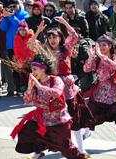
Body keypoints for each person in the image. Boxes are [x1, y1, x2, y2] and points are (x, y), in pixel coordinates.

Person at [28, 17, 95, 157]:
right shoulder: (44, 51)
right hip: (50, 90)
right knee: (46, 123)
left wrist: (65, 23)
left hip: (68, 91)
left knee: (75, 122)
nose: (52, 40)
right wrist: (38, 31)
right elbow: (30, 44)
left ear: (60, 38)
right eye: (50, 37)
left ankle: (81, 149)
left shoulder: (66, 49)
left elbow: (74, 36)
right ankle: (37, 153)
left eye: (55, 37)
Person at [10, 53, 88, 159]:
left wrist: (40, 86)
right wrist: (29, 88)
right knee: (27, 133)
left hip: (58, 121)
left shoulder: (56, 80)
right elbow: (27, 101)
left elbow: (57, 92)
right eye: (32, 70)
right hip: (42, 120)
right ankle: (38, 155)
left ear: (43, 69)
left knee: (67, 148)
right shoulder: (34, 84)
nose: (32, 72)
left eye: (35, 69)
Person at [0, 0, 29, 96]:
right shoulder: (8, 16)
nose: (12, 8)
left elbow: (20, 26)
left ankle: (27, 88)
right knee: (15, 69)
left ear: (19, 5)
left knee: (25, 68)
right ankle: (17, 89)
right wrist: (4, 17)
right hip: (11, 46)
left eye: (14, 6)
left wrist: (11, 16)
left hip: (22, 47)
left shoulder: (24, 14)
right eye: (10, 6)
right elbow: (3, 28)